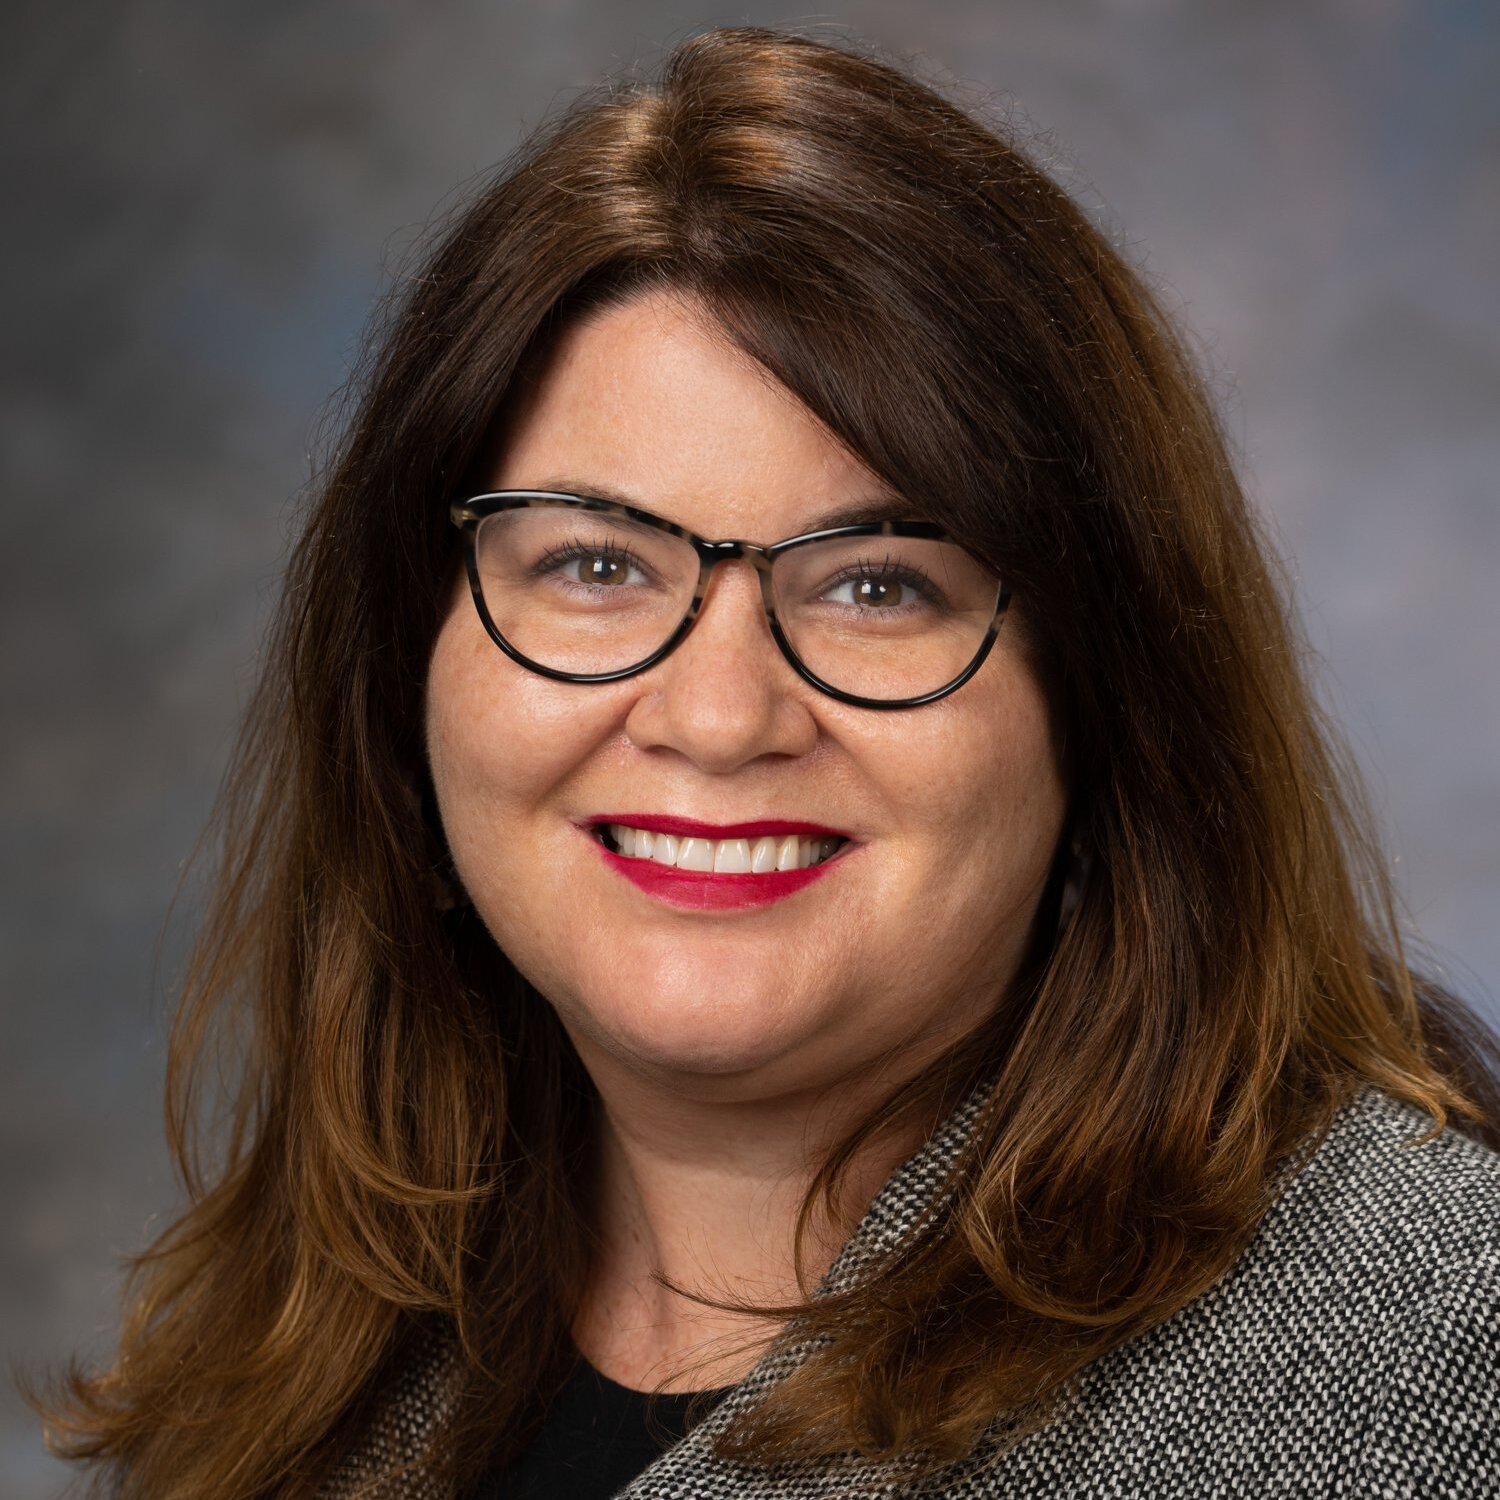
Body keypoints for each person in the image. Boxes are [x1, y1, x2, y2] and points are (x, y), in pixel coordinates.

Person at [41, 26, 1500, 1500]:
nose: (720, 716)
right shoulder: (291, 1389)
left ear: (1109, 694)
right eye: (598, 561)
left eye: (878, 584)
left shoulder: (1428, 1352)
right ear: (406, 665)